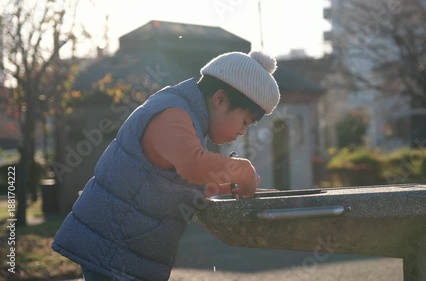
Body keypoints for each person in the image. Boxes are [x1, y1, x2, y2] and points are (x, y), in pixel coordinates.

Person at [51, 50, 280, 281]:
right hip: (114, 250)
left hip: (124, 250)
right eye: (244, 122)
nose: (242, 132)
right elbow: (192, 165)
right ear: (220, 99)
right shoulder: (172, 113)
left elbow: (176, 185)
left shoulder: (189, 116)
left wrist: (227, 188)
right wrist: (240, 171)